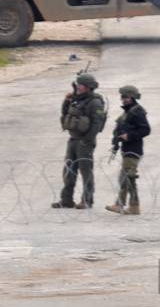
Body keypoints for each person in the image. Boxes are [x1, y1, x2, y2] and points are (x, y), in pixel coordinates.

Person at [54, 73, 106, 209]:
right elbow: (65, 113)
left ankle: (87, 200)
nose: (78, 87)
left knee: (85, 171)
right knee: (69, 170)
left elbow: (97, 123)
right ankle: (66, 199)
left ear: (88, 87)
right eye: (77, 85)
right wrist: (66, 101)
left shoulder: (95, 102)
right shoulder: (76, 99)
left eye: (81, 85)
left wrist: (87, 140)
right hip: (73, 139)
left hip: (84, 141)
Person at [105, 85, 150, 215]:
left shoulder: (137, 111)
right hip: (127, 149)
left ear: (131, 97)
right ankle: (131, 205)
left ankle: (125, 205)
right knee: (127, 177)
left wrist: (129, 136)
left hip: (133, 149)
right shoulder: (129, 111)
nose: (122, 99)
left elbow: (146, 129)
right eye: (122, 97)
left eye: (124, 97)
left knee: (127, 177)